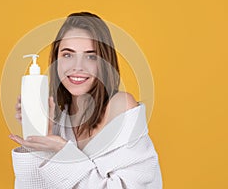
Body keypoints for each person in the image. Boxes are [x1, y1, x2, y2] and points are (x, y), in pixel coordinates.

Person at [9, 12, 162, 189]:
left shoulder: (121, 106)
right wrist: (42, 137)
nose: (77, 67)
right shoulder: (59, 122)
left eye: (91, 56)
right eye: (68, 55)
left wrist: (63, 152)